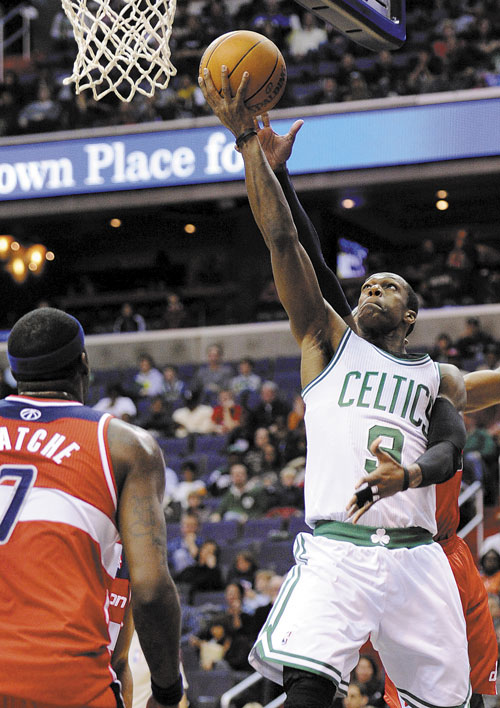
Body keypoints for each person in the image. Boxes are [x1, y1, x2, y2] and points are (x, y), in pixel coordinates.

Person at [199, 68, 470, 707]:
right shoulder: (327, 343)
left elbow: (451, 448)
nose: (373, 288)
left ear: (410, 317)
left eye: (390, 286)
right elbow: (288, 241)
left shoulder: (436, 377)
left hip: (416, 557)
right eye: (367, 283)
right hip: (338, 549)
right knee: (308, 688)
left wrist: (407, 478)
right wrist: (251, 149)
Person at [0, 307, 182, 708]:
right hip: (65, 684)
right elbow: (150, 590)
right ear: (83, 364)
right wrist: (168, 692)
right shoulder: (124, 445)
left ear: (15, 373)